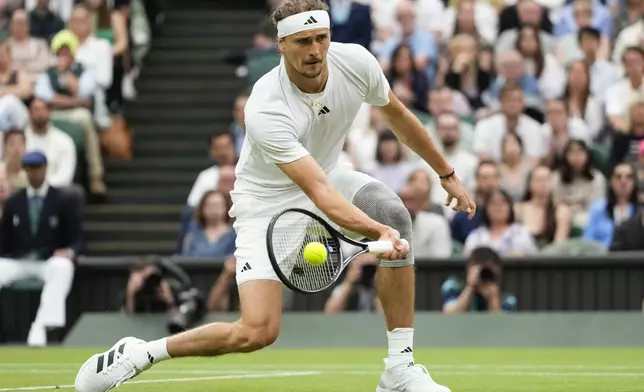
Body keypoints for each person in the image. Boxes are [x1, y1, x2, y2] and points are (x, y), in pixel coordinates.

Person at [74, 1, 475, 392]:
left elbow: (400, 118)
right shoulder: (265, 107)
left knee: (394, 211)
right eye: (303, 41)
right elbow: (316, 191)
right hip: (266, 204)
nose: (315, 51)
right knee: (255, 332)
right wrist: (376, 232)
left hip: (328, 173)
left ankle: (400, 370)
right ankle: (143, 353)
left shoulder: (356, 62)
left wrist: (447, 174)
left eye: (321, 38)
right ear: (281, 44)